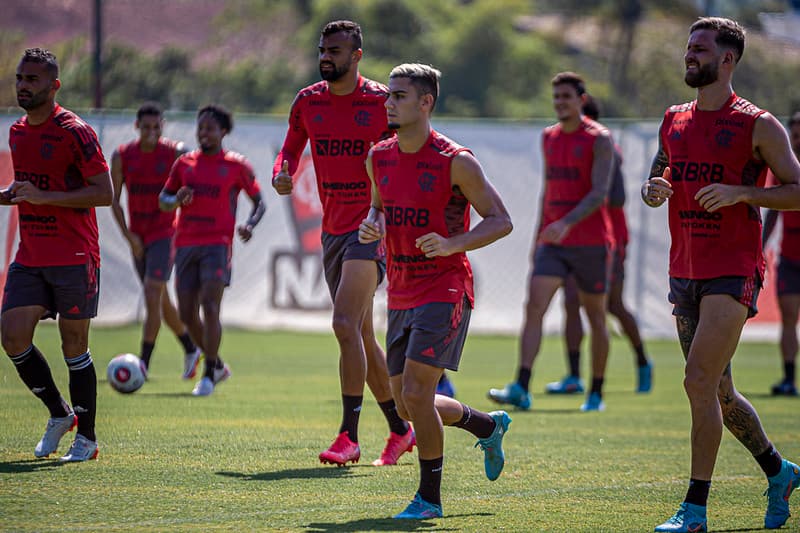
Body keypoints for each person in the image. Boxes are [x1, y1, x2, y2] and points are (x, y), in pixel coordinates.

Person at [642, 17, 800, 532]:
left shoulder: (759, 124)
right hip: (683, 269)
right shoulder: (673, 118)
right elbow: (658, 173)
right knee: (721, 395)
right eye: (688, 48)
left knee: (698, 381)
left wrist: (743, 192)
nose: (689, 56)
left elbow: (797, 189)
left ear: (727, 60)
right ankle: (780, 472)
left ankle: (694, 511)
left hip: (733, 270)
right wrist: (654, 190)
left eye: (700, 50)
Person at [359, 63, 513, 519]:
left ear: (426, 102)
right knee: (407, 406)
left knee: (418, 393)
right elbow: (378, 211)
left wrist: (452, 243)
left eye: (399, 96)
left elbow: (501, 220)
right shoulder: (378, 156)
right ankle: (486, 424)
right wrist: (373, 225)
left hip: (445, 288)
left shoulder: (456, 160)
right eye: (388, 95)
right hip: (401, 291)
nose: (389, 103)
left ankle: (429, 500)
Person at [272, 20, 414, 466]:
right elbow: (290, 148)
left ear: (356, 56)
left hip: (372, 227)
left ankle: (348, 437)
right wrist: (283, 170)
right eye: (322, 49)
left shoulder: (379, 102)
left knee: (342, 324)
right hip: (332, 230)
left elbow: (401, 159)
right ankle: (399, 429)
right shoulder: (308, 101)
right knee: (360, 335)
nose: (325, 56)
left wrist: (385, 214)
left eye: (334, 50)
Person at [0, 48, 112, 461]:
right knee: (11, 335)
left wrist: (45, 197)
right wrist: (9, 196)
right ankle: (59, 414)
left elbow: (104, 192)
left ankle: (88, 438)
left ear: (54, 86)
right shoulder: (17, 132)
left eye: (32, 80)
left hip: (75, 254)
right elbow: (28, 188)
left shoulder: (75, 131)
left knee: (73, 347)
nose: (24, 86)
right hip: (30, 254)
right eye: (20, 78)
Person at [488, 72, 615, 412]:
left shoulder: (599, 138)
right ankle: (522, 385)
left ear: (581, 100)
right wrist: (538, 237)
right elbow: (548, 191)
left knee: (596, 317)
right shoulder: (549, 137)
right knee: (534, 307)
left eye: (566, 97)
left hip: (590, 243)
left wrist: (566, 223)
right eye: (556, 97)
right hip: (553, 243)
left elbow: (599, 193)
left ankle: (596, 392)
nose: (560, 102)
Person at [546, 96, 653, 395]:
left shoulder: (607, 151)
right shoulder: (565, 148)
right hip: (573, 239)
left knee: (613, 306)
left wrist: (589, 194)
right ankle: (573, 376)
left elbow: (616, 197)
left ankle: (643, 361)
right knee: (569, 301)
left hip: (608, 239)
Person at [159, 104, 265, 396]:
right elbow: (164, 200)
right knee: (186, 312)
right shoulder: (184, 164)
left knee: (210, 305)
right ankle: (217, 364)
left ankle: (207, 375)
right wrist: (176, 199)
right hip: (185, 244)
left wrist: (249, 225)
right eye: (200, 127)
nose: (203, 133)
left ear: (224, 131)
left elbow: (260, 203)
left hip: (217, 245)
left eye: (210, 128)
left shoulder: (236, 166)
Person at [110, 102, 201, 379]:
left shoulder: (175, 153)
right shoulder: (123, 156)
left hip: (165, 234)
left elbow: (191, 189)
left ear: (163, 126)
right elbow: (113, 200)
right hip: (139, 237)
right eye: (146, 127)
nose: (151, 132)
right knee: (160, 301)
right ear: (137, 127)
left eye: (156, 126)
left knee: (152, 293)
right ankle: (190, 348)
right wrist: (129, 237)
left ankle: (143, 364)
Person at [762, 111, 800, 397]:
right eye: (795, 134)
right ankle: (789, 378)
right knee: (788, 317)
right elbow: (774, 210)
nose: (798, 140)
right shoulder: (783, 167)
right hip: (789, 257)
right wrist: (759, 246)